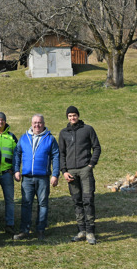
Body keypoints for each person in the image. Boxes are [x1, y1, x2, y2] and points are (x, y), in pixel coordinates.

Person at [59, 105, 102, 245]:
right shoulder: (63, 133)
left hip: (85, 170)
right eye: (70, 116)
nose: (73, 118)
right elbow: (61, 153)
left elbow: (96, 147)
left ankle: (90, 231)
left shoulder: (87, 129)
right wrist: (64, 171)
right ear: (67, 117)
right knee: (77, 200)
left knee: (88, 200)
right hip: (71, 172)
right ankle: (81, 230)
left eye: (74, 115)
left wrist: (91, 164)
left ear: (78, 115)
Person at [13, 114, 59, 241]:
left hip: (43, 177)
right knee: (26, 204)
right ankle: (24, 230)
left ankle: (40, 230)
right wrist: (16, 170)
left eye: (39, 122)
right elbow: (17, 153)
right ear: (31, 124)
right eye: (35, 122)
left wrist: (55, 174)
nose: (37, 125)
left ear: (43, 124)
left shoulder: (50, 139)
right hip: (27, 177)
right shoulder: (24, 138)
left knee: (43, 204)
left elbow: (56, 156)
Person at [0, 111, 18, 234]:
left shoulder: (11, 136)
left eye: (2, 120)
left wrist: (15, 169)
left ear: (5, 121)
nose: (0, 122)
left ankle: (9, 224)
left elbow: (17, 154)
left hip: (7, 173)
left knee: (9, 200)